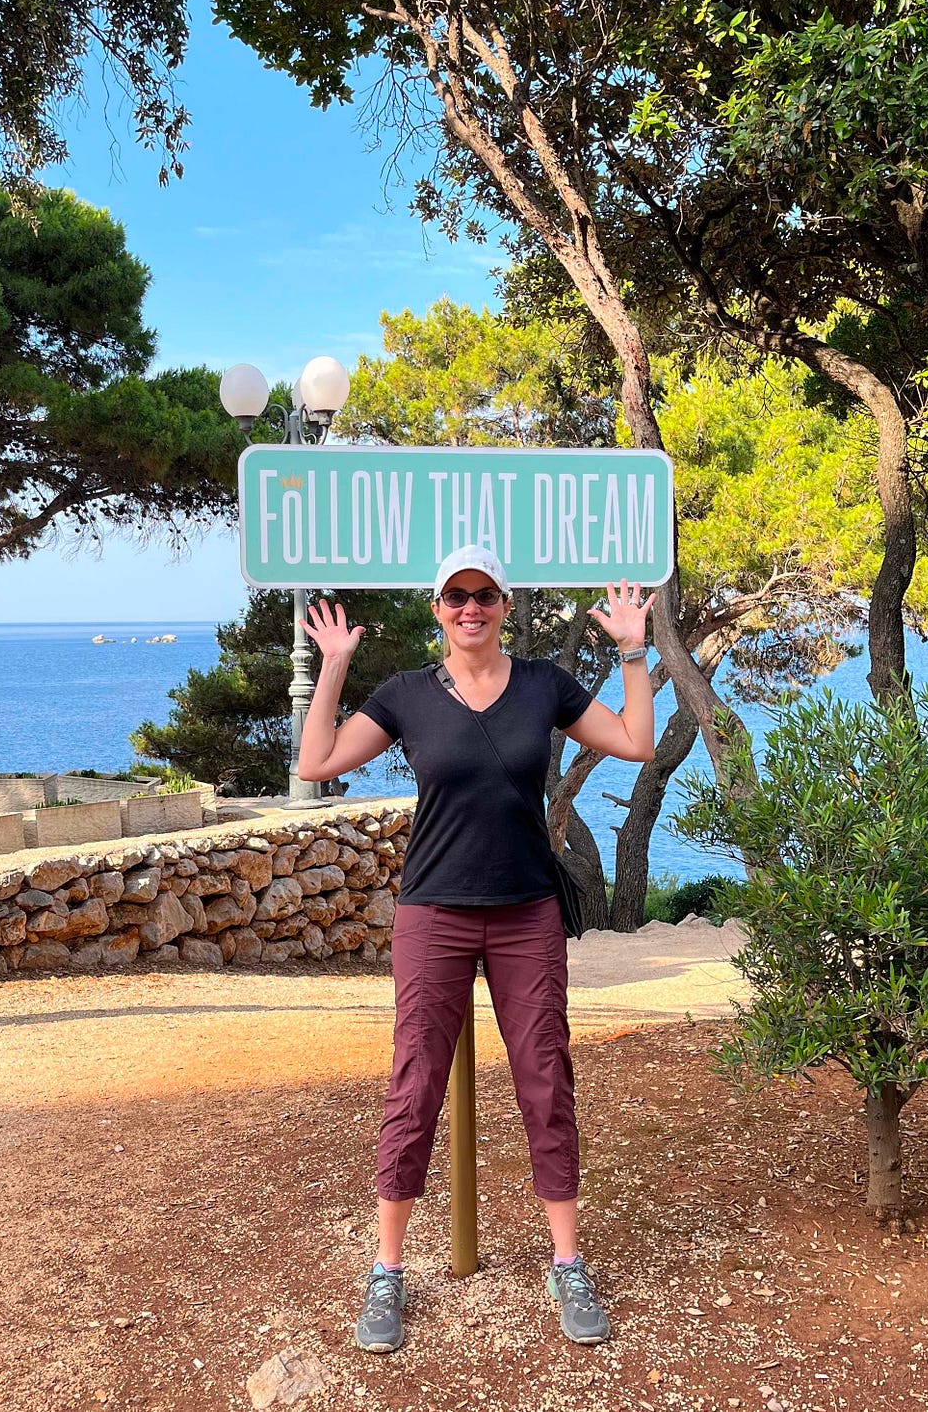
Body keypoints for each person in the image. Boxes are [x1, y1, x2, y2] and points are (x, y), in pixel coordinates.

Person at [295, 543, 657, 1353]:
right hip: (434, 913)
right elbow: (315, 762)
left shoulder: (543, 687)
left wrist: (632, 649)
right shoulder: (406, 696)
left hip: (526, 909)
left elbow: (635, 741)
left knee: (544, 1076)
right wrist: (334, 667)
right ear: (438, 609)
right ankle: (387, 1271)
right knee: (415, 1080)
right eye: (456, 596)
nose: (470, 608)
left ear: (505, 605)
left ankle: (567, 1261)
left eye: (484, 595)